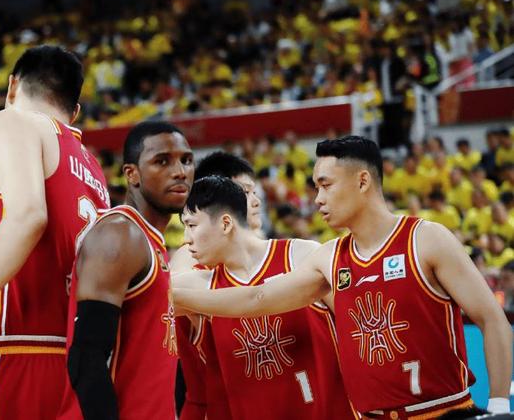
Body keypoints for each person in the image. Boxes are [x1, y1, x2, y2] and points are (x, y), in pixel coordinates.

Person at [175, 135, 513, 417]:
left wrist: (498, 406)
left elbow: (492, 318)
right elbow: (257, 297)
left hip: (442, 411)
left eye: (326, 185)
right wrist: (169, 293)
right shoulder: (328, 258)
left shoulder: (426, 238)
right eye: (316, 187)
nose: (318, 199)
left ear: (362, 181)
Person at [0, 45, 110, 419]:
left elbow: (28, 216)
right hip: (75, 360)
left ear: (13, 86)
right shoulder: (94, 170)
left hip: (15, 350)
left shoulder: (13, 121)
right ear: (75, 112)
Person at [178, 176, 355, 419]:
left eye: (191, 225)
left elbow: (355, 330)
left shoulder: (301, 256)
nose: (186, 239)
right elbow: (142, 290)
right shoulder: (200, 285)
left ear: (226, 223)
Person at [59, 121, 194, 419]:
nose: (180, 171)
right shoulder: (121, 234)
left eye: (186, 160)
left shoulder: (149, 240)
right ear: (132, 174)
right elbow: (86, 358)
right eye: (162, 161)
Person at [169, 152, 264, 420]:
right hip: (210, 406)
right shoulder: (190, 258)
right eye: (246, 191)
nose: (255, 201)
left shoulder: (263, 253)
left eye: (254, 192)